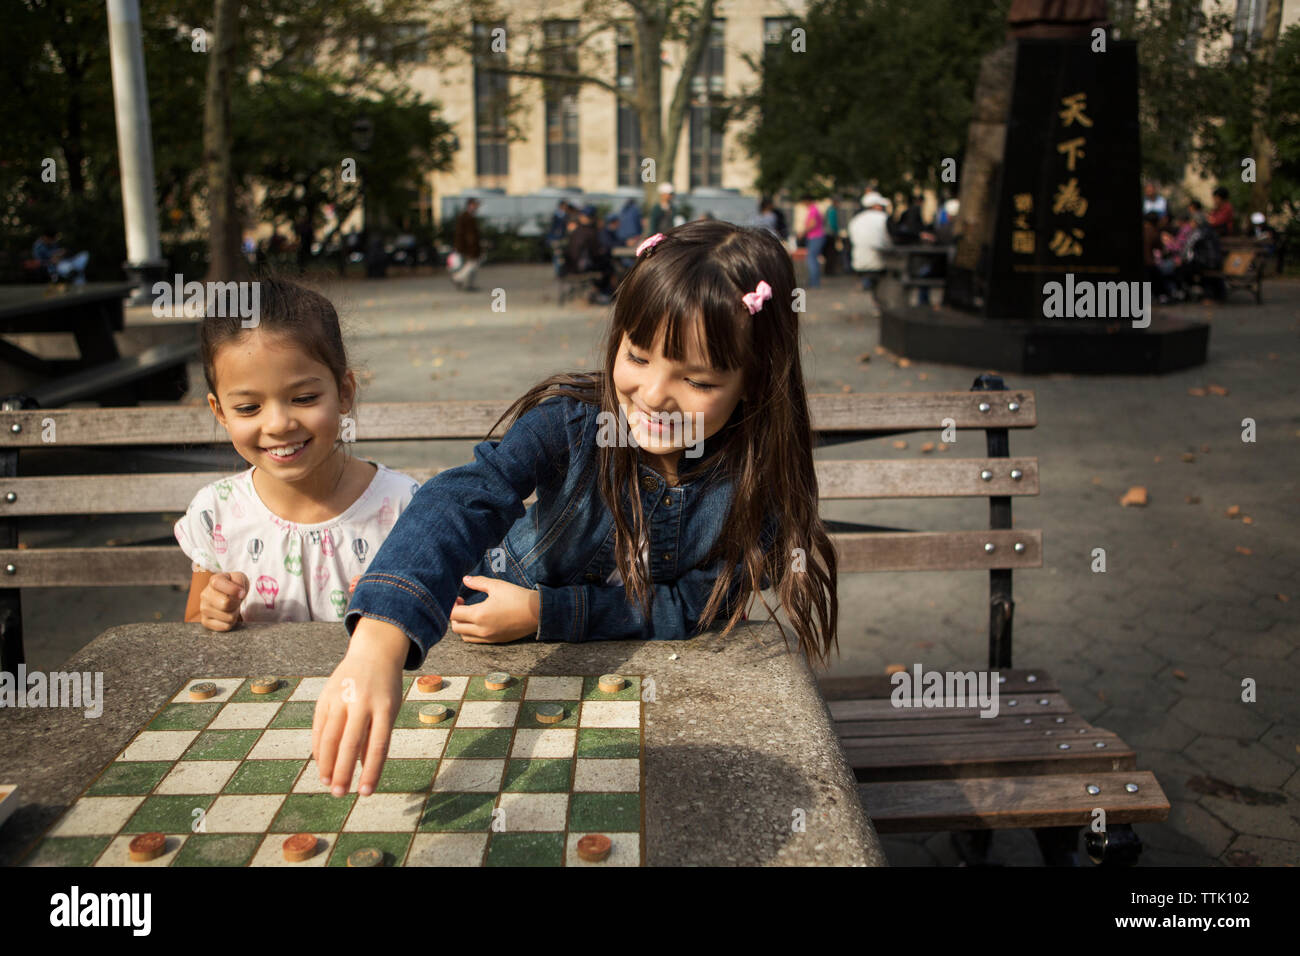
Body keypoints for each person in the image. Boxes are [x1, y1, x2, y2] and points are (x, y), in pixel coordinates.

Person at [311, 220, 841, 796]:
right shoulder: (570, 424)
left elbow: (696, 608)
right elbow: (464, 496)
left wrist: (547, 613)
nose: (656, 393)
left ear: (754, 380)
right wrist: (381, 636)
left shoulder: (757, 481)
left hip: (653, 689)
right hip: (491, 648)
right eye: (637, 356)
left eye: (698, 380)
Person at [174, 279, 422, 630]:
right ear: (220, 412)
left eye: (304, 399)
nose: (278, 424)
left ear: (344, 391)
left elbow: (440, 621)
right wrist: (216, 611)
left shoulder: (401, 507)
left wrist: (400, 609)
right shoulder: (215, 513)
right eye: (248, 407)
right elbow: (195, 624)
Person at [848, 191, 893, 314]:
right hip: (879, 261)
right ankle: (883, 304)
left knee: (876, 278)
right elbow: (888, 241)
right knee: (890, 272)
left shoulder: (855, 220)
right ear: (877, 205)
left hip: (859, 261)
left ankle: (876, 301)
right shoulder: (883, 218)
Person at [564, 204, 615, 302]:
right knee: (608, 267)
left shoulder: (576, 230)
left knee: (605, 265)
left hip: (570, 266)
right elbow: (595, 253)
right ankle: (604, 294)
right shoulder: (590, 231)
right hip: (582, 267)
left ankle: (599, 293)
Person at [451, 197, 483, 291]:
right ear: (470, 205)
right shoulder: (466, 217)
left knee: (473, 265)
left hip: (470, 246)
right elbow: (467, 235)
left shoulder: (470, 216)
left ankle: (469, 284)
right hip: (468, 247)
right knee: (472, 264)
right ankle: (457, 278)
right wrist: (470, 247)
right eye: (475, 205)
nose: (477, 207)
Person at [797, 193, 827, 288]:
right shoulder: (815, 209)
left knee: (812, 259)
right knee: (813, 259)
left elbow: (812, 224)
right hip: (816, 236)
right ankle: (814, 281)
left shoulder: (813, 210)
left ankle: (814, 282)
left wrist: (803, 232)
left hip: (815, 237)